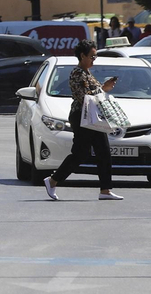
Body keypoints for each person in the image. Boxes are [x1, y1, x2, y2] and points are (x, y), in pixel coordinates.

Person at [45, 41, 122, 201]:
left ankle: (105, 190)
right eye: (92, 56)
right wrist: (102, 89)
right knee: (81, 154)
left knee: (103, 152)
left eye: (95, 56)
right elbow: (84, 97)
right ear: (82, 56)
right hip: (82, 117)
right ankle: (53, 180)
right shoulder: (77, 73)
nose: (94, 59)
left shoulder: (86, 73)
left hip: (92, 118)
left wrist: (103, 88)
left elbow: (92, 93)